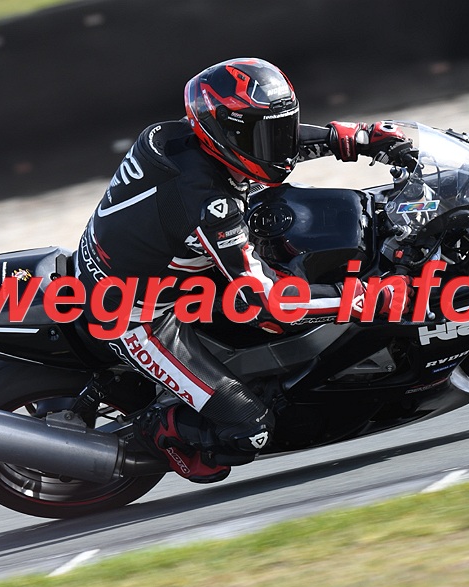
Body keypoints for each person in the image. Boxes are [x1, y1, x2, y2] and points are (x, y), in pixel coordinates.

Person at [76, 57, 416, 483]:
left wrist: (347, 138)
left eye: (282, 129)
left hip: (159, 265)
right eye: (264, 135)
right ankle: (155, 431)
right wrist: (365, 298)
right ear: (224, 133)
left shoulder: (180, 137)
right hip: (132, 314)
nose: (279, 144)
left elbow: (265, 148)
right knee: (247, 431)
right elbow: (270, 306)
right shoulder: (208, 203)